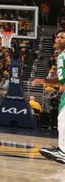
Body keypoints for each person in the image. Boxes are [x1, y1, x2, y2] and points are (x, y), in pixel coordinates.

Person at [33, 31, 65, 164]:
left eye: (62, 37)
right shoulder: (61, 55)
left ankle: (62, 152)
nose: (58, 39)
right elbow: (60, 80)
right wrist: (44, 81)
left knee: (63, 120)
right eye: (57, 36)